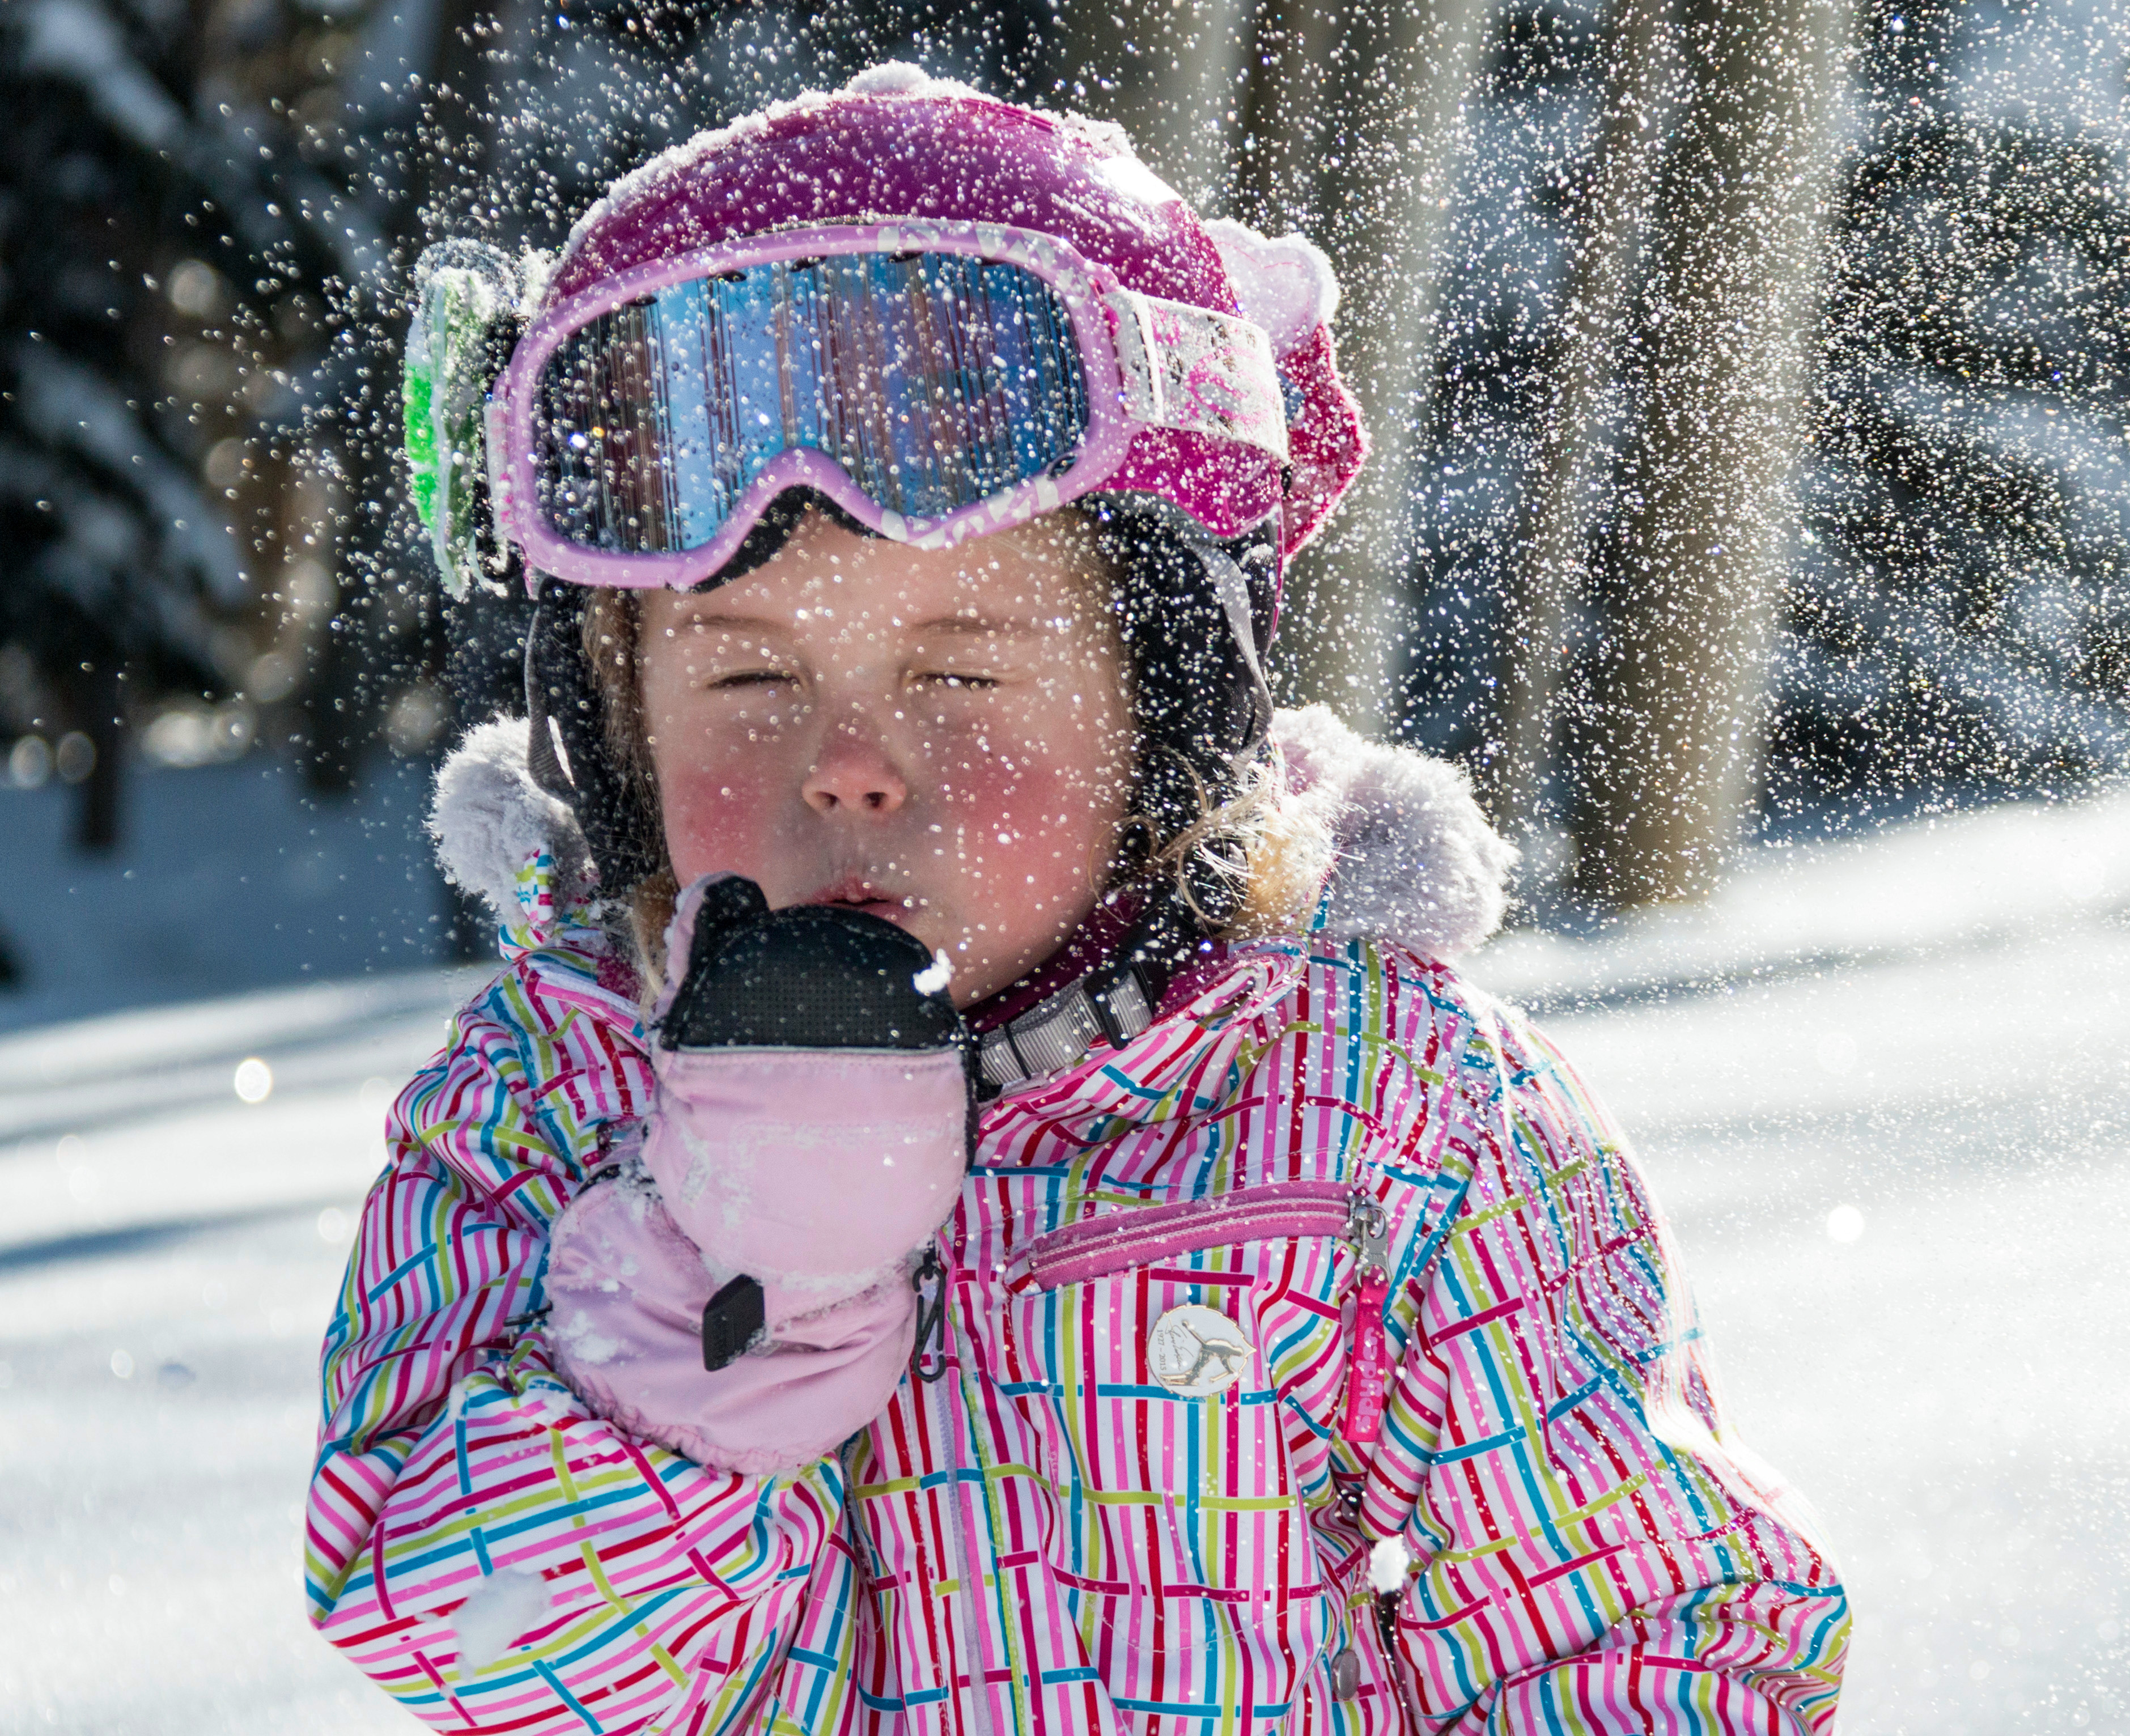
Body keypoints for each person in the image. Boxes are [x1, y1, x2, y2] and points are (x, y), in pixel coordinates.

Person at [304, 65, 1847, 1734]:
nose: (848, 769)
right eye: (744, 686)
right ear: (611, 741)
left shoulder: (1380, 1104)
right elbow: (455, 1628)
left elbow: (1638, 1626)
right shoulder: (549, 1095)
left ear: (1168, 713)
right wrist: (722, 1296)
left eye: (962, 676)